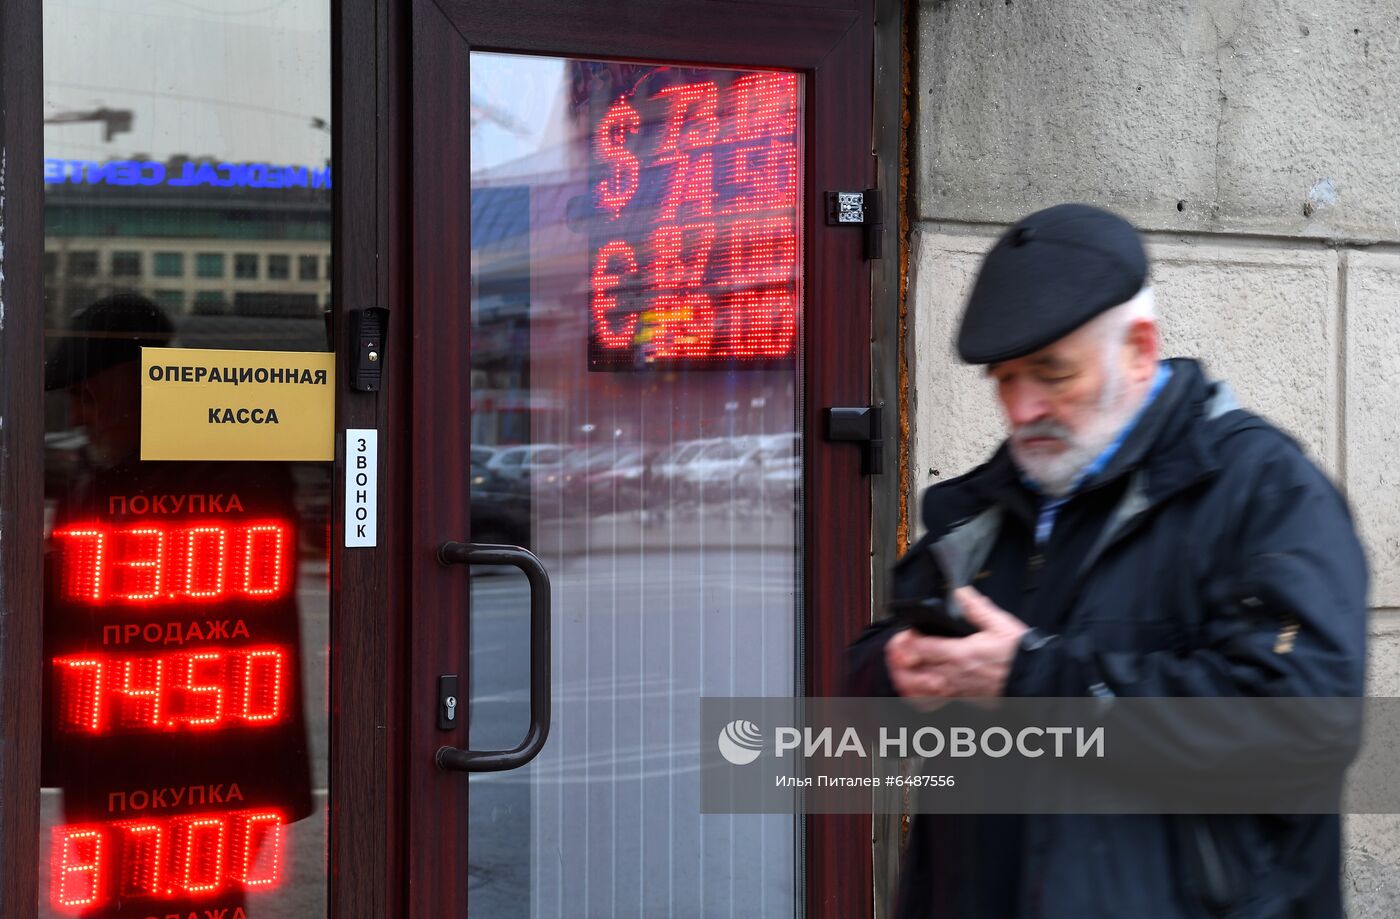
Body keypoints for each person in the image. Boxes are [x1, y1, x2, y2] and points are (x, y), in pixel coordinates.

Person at [846, 204, 1369, 918]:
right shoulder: (985, 508)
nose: (1022, 408)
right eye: (1005, 379)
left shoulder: (1266, 491)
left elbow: (1303, 729)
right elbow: (867, 690)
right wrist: (897, 672)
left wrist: (1033, 679)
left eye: (1052, 373)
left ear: (1139, 350)